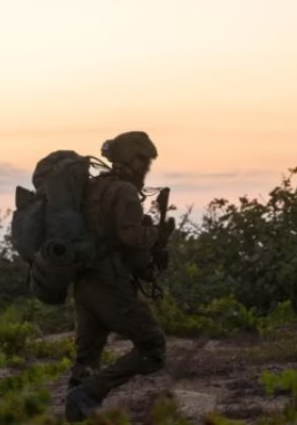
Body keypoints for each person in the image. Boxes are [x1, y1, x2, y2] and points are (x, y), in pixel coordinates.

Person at [65, 131, 170, 421]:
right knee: (153, 348)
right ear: (129, 159)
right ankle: (89, 394)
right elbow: (130, 236)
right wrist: (155, 233)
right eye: (143, 161)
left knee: (87, 358)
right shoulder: (123, 191)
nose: (146, 167)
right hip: (109, 284)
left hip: (84, 283)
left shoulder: (92, 187)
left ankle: (75, 413)